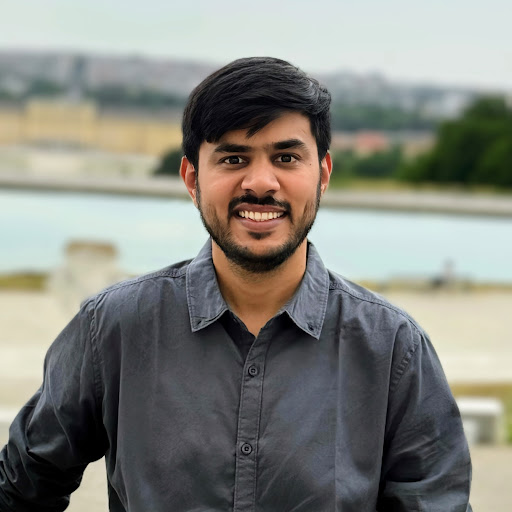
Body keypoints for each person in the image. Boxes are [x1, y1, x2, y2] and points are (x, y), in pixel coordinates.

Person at [0, 57, 472, 511]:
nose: (261, 183)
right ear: (192, 179)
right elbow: (19, 489)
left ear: (323, 175)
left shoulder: (393, 349)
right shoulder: (112, 328)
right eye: (232, 158)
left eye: (286, 157)